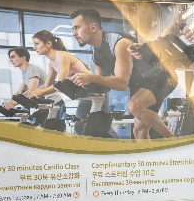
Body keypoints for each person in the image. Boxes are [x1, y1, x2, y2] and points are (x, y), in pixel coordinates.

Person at [69, 8, 179, 139]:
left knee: (134, 106)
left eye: (77, 28)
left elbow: (121, 84)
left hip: (163, 75)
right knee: (139, 131)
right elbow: (102, 86)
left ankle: (172, 140)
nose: (74, 33)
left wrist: (91, 77)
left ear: (93, 27)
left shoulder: (120, 43)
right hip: (141, 84)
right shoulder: (96, 57)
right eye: (73, 29)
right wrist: (78, 86)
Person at [26, 30, 117, 136]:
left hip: (98, 91)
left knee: (101, 128)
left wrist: (36, 93)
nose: (34, 47)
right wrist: (30, 94)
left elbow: (60, 84)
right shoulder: (52, 62)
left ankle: (119, 145)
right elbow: (47, 85)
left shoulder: (62, 56)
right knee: (79, 127)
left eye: (37, 44)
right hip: (86, 94)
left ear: (48, 43)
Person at [0, 46, 64, 125]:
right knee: (28, 123)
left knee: (50, 129)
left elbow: (31, 92)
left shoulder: (33, 69)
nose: (10, 60)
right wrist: (8, 103)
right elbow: (20, 91)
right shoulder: (26, 73)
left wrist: (13, 104)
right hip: (46, 106)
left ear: (23, 57)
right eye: (10, 58)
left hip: (55, 104)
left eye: (13, 57)